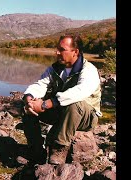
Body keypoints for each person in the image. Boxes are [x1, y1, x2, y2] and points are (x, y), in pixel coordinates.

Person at [22, 34, 102, 165]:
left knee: (75, 104)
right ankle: (36, 149)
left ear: (75, 52)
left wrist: (46, 104)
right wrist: (29, 99)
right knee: (26, 107)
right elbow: (40, 85)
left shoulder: (88, 70)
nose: (57, 52)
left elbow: (80, 91)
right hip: (62, 111)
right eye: (57, 49)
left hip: (86, 117)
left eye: (62, 49)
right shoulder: (55, 68)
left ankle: (60, 148)